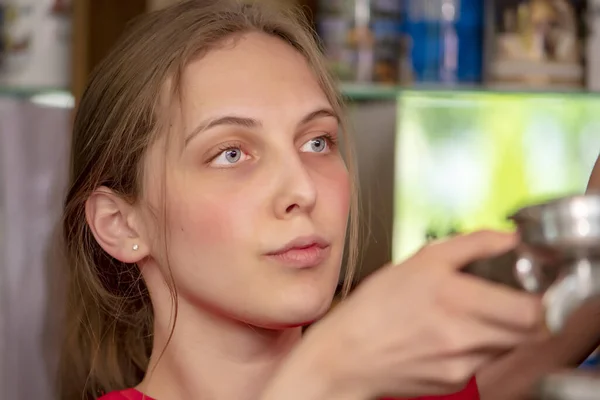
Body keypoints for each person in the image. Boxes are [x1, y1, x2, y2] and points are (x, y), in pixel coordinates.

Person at [58, 1, 545, 399]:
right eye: (231, 153)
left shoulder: (417, 389)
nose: (304, 190)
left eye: (317, 142)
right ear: (121, 224)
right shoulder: (340, 374)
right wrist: (326, 375)